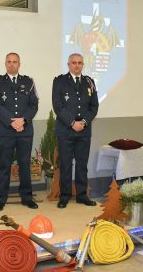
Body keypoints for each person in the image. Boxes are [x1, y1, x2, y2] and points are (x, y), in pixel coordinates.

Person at [0, 53, 39, 211]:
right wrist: (12, 122)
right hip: (5, 130)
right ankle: (1, 199)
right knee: (4, 165)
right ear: (5, 63)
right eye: (9, 62)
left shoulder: (28, 81)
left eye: (15, 62)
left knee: (25, 165)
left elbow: (34, 104)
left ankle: (27, 197)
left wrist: (23, 120)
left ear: (19, 64)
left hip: (24, 130)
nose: (12, 64)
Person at [52, 53, 99, 209]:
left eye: (80, 63)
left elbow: (94, 106)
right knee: (65, 164)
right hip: (66, 130)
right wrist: (72, 122)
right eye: (74, 63)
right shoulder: (59, 81)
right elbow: (58, 105)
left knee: (82, 165)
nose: (77, 65)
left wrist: (84, 122)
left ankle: (81, 195)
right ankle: (64, 196)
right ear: (68, 64)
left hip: (84, 131)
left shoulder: (89, 82)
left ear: (83, 65)